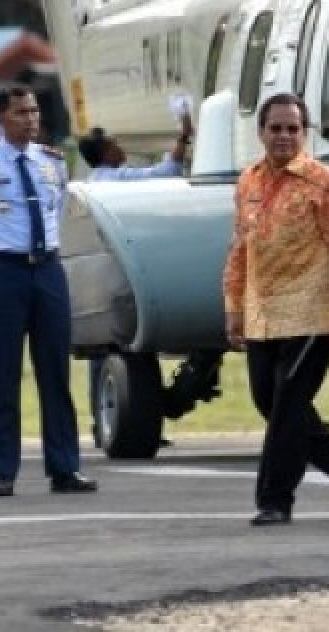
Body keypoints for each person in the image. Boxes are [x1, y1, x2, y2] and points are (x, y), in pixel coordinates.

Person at [222, 92, 329, 526]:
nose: (284, 136)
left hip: (311, 314)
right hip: (262, 313)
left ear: (305, 133)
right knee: (268, 400)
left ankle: (274, 499)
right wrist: (232, 304)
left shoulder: (326, 183)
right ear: (261, 132)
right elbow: (239, 249)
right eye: (275, 128)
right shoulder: (247, 181)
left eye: (292, 128)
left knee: (286, 407)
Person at [0, 86, 98, 498]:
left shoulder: (52, 163)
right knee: (2, 374)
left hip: (47, 271)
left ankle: (64, 467)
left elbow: (54, 210)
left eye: (35, 112)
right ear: (1, 118)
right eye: (21, 113)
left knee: (55, 373)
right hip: (4, 273)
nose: (31, 119)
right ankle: (2, 470)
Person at [78, 114, 220, 429]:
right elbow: (165, 172)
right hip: (123, 285)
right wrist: (183, 138)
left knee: (107, 354)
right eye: (114, 144)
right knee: (127, 351)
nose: (119, 147)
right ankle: (124, 420)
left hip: (102, 284)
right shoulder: (115, 182)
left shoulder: (92, 185)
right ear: (104, 153)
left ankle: (107, 422)